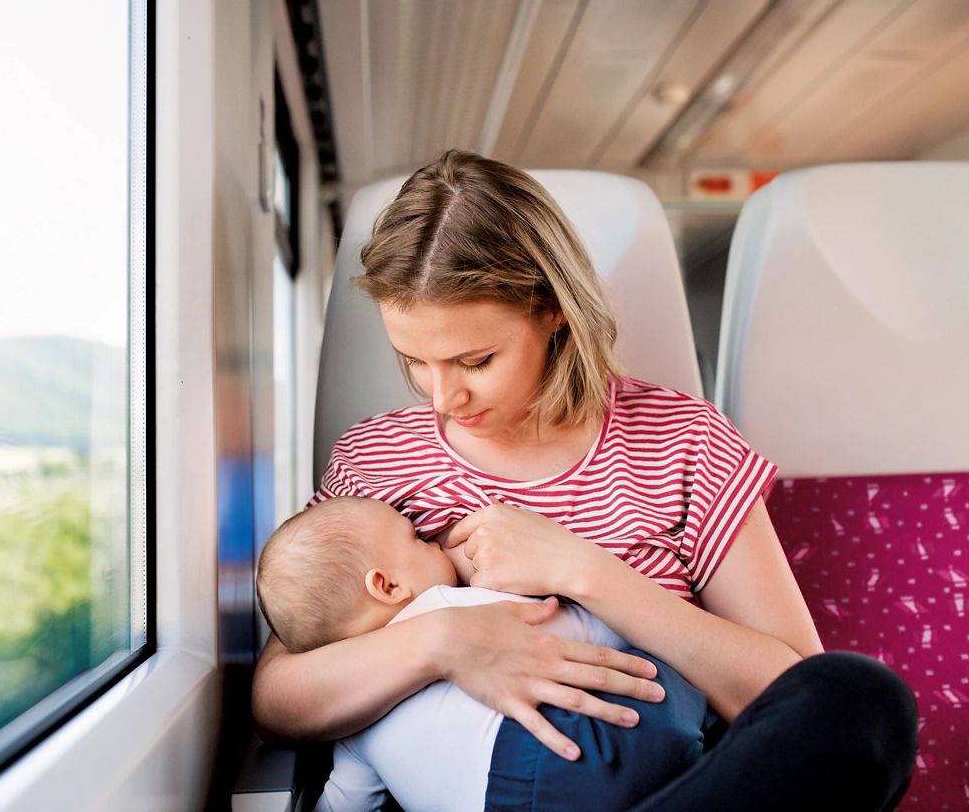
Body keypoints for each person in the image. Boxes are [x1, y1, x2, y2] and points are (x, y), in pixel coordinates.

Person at [252, 150, 919, 811]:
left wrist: (587, 574)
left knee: (861, 700)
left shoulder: (683, 441)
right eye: (414, 361)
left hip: (684, 786)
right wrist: (440, 641)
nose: (441, 398)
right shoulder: (377, 461)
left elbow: (792, 695)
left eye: (474, 360)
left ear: (554, 309)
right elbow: (279, 698)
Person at [256, 495, 707, 812]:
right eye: (416, 539)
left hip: (487, 802)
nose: (434, 543)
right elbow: (573, 633)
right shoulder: (451, 604)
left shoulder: (352, 716)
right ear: (388, 585)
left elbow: (345, 801)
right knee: (666, 676)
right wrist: (625, 625)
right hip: (564, 757)